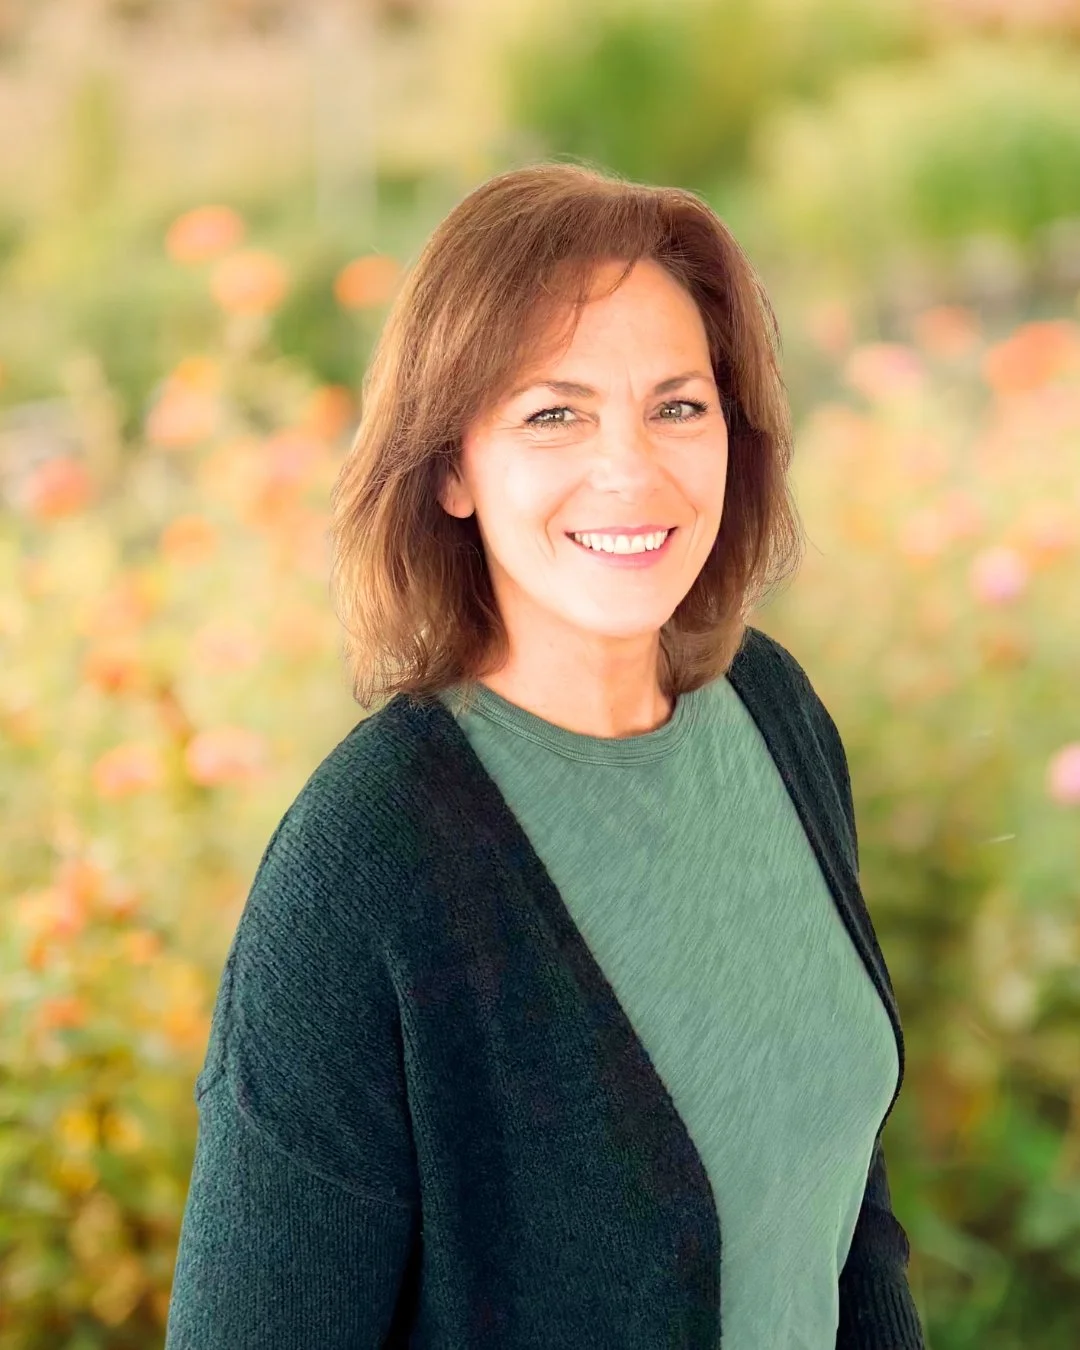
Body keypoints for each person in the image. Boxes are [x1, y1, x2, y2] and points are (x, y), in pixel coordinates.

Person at [164, 161, 926, 1348]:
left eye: (678, 405)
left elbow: (845, 1209)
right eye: (553, 413)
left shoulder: (772, 717)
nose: (631, 469)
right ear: (453, 468)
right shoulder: (366, 861)